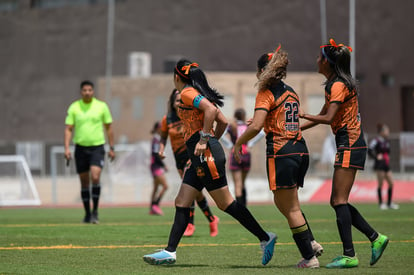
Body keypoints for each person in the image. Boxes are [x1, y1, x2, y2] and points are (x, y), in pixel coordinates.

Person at [143, 59, 276, 266]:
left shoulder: (188, 92)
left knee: (226, 204)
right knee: (182, 201)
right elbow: (222, 121)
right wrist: (210, 140)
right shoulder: (194, 92)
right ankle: (170, 252)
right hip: (201, 155)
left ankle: (265, 237)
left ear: (176, 77)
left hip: (206, 154)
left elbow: (212, 113)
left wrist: (205, 140)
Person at [299, 38, 389, 268]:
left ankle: (350, 255)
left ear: (327, 62)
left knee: (338, 200)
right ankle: (375, 238)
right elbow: (323, 116)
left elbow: (327, 118)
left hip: (350, 142)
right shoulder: (334, 84)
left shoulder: (337, 85)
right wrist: (295, 130)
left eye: (320, 57)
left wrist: (303, 115)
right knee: (337, 200)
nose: (316, 61)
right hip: (349, 142)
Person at [234, 46, 322, 268]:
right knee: (287, 203)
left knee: (289, 207)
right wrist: (258, 124)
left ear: (263, 71)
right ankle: (310, 242)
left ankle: (309, 257)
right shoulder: (291, 91)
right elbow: (275, 120)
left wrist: (239, 142)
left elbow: (256, 126)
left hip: (282, 152)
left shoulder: (266, 92)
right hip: (299, 149)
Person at [159, 89, 219, 236]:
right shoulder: (167, 119)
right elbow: (163, 137)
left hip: (192, 156)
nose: (180, 103)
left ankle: (189, 225)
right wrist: (161, 150)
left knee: (187, 191)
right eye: (177, 100)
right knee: (196, 193)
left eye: (182, 100)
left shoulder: (189, 116)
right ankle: (212, 219)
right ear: (172, 103)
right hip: (178, 159)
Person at [64, 80, 115, 224]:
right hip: (80, 148)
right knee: (84, 182)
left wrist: (112, 147)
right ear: (81, 92)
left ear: (93, 91)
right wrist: (67, 148)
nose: (87, 92)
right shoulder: (74, 107)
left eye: (90, 90)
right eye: (85, 90)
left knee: (96, 176)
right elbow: (68, 129)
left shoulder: (101, 106)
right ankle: (87, 213)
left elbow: (109, 128)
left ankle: (95, 212)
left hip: (97, 147)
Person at [221, 108, 265, 206]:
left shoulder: (232, 126)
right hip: (246, 154)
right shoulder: (247, 126)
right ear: (244, 116)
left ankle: (241, 210)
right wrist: (250, 144)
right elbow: (261, 133)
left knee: (238, 184)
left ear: (235, 116)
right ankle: (244, 206)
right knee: (242, 183)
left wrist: (230, 145)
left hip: (235, 153)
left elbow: (221, 135)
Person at [368, 123, 399, 210]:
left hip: (386, 164)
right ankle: (381, 203)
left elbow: (387, 151)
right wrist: (376, 156)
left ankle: (389, 203)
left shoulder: (387, 141)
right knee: (380, 184)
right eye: (387, 131)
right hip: (379, 165)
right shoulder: (376, 140)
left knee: (391, 183)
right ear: (382, 132)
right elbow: (369, 150)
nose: (388, 132)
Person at [149, 121, 168, 215]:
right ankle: (155, 205)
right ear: (157, 129)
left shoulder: (156, 139)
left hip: (154, 166)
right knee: (165, 186)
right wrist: (164, 166)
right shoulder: (156, 140)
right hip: (156, 166)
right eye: (161, 127)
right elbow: (156, 155)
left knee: (156, 187)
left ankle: (152, 208)